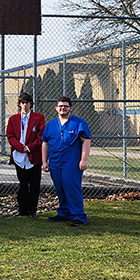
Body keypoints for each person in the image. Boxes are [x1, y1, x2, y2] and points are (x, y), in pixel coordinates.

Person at [42, 97, 92, 227]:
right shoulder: (51, 125)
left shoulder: (79, 123)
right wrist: (44, 161)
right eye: (60, 106)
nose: (62, 108)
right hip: (55, 163)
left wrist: (84, 160)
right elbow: (45, 143)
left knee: (71, 188)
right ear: (56, 108)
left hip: (71, 163)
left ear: (70, 108)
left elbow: (86, 141)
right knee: (60, 188)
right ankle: (64, 213)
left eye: (65, 106)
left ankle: (78, 216)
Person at [7, 93, 46, 218]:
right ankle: (22, 209)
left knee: (34, 184)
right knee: (22, 184)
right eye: (23, 102)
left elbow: (41, 136)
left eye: (27, 102)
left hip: (33, 156)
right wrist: (20, 147)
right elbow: (10, 136)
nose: (25, 105)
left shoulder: (39, 118)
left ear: (31, 104)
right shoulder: (13, 119)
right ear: (19, 104)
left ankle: (32, 210)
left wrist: (29, 147)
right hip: (19, 156)